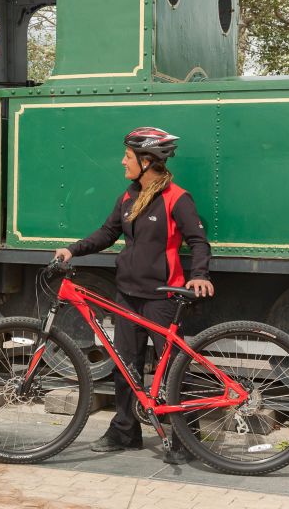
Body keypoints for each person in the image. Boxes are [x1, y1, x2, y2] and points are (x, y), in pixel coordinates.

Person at [54, 126, 213, 465]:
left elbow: (199, 241)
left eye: (127, 157)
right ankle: (125, 431)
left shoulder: (177, 198)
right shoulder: (128, 197)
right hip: (126, 294)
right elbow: (108, 232)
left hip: (162, 298)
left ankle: (187, 437)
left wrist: (199, 275)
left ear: (146, 160)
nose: (122, 162)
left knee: (173, 368)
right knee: (126, 366)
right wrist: (72, 250)